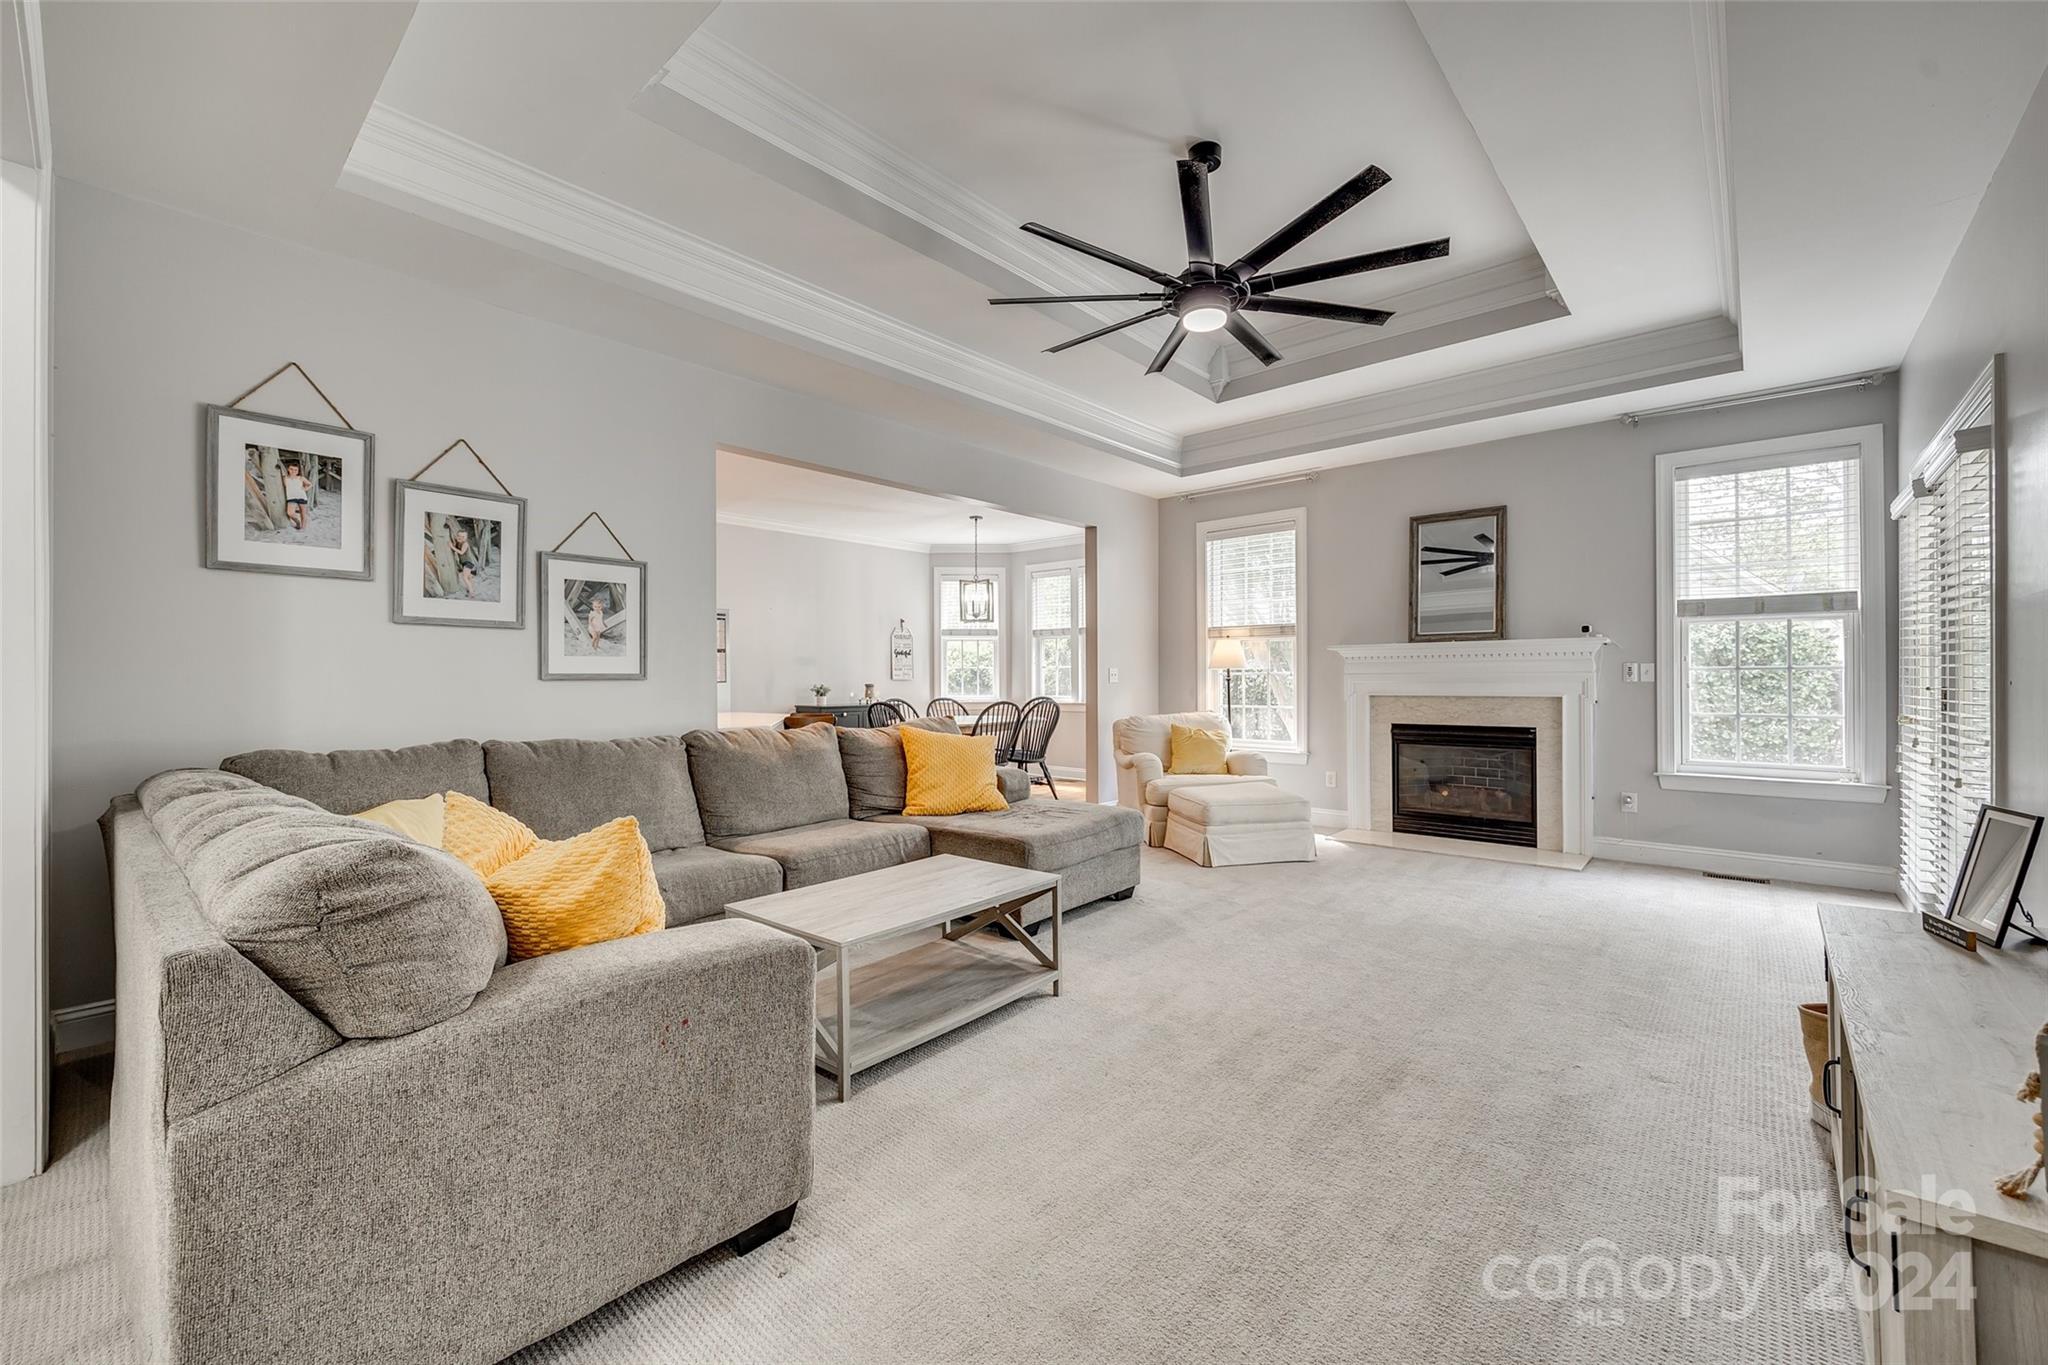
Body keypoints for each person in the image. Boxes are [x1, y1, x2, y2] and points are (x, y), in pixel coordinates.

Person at [280, 458, 310, 531]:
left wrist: (305, 489)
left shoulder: (301, 478)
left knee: (303, 513)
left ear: (298, 471)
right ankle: (298, 521)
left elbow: (310, 484)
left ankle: (303, 528)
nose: (293, 471)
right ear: (288, 469)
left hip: (302, 497)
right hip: (291, 497)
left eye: (295, 470)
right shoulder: (285, 478)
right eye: (291, 469)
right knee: (290, 513)